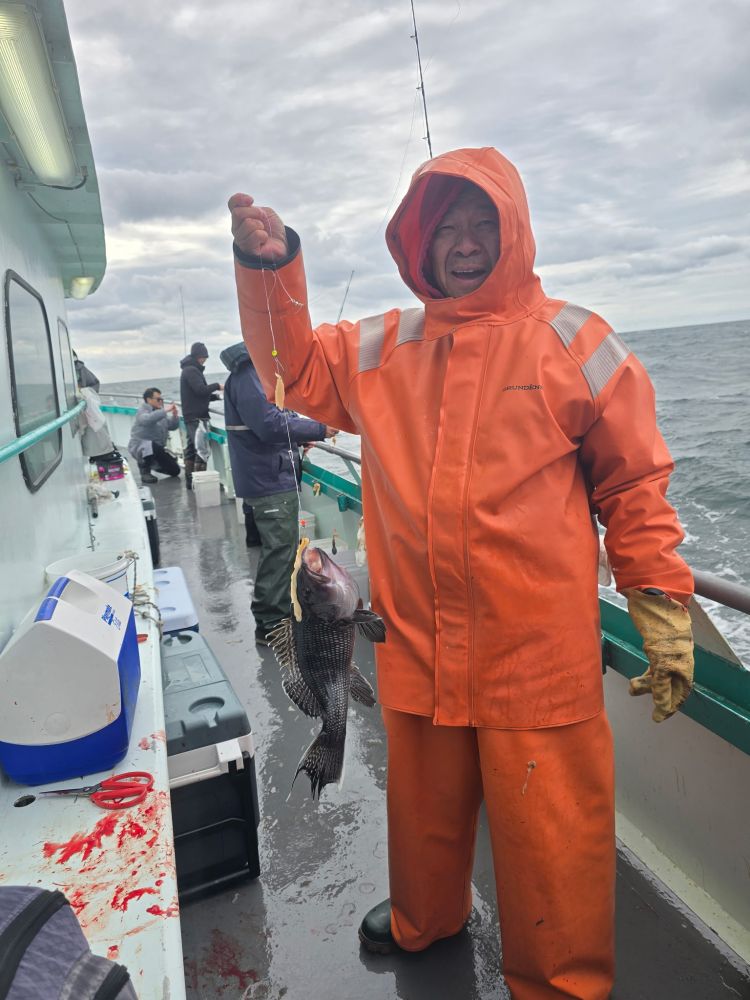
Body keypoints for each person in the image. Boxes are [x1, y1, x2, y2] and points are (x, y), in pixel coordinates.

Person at [227, 148, 695, 1000]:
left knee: (552, 844)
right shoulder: (381, 345)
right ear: (420, 240)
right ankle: (424, 919)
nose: (468, 243)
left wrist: (658, 601)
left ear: (515, 233)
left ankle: (559, 984)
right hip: (417, 640)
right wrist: (269, 268)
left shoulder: (577, 340)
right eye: (449, 227)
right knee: (423, 817)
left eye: (486, 224)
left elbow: (633, 483)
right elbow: (288, 366)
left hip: (536, 654)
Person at [219, 341, 336, 643]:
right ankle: (271, 624)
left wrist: (297, 437)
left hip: (269, 475)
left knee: (282, 550)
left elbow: (277, 418)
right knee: (279, 552)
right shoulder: (250, 375)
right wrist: (321, 429)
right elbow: (269, 425)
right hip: (268, 480)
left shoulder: (253, 375)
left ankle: (279, 613)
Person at [179, 341, 223, 487]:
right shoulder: (191, 370)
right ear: (199, 356)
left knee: (192, 449)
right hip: (197, 417)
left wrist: (217, 397)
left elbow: (197, 394)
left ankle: (190, 482)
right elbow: (200, 390)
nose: (205, 359)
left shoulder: (188, 370)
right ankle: (200, 485)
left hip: (191, 415)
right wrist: (217, 386)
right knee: (202, 451)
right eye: (204, 356)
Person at [128, 387, 181, 484]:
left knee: (175, 471)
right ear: (149, 400)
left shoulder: (159, 412)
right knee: (150, 445)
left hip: (158, 449)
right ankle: (145, 471)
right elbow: (146, 420)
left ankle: (154, 465)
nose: (161, 402)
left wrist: (175, 416)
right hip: (140, 447)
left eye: (161, 399)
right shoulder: (142, 411)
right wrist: (164, 411)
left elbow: (172, 426)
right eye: (158, 399)